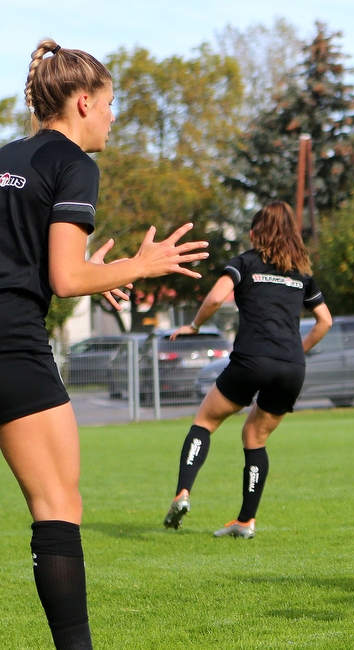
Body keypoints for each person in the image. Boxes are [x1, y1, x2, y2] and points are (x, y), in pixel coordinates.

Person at [0, 39, 209, 649]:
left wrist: (96, 271)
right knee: (58, 505)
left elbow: (32, 265)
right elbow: (66, 279)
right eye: (113, 104)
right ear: (83, 101)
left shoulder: (7, 156)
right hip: (12, 347)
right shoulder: (74, 163)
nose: (114, 118)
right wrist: (143, 265)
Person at [163, 201, 331, 539]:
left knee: (205, 421)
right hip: (291, 367)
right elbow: (324, 321)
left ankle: (182, 493)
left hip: (251, 360)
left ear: (255, 234)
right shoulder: (302, 274)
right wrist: (295, 352)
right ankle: (245, 521)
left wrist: (195, 326)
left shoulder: (244, 263)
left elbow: (214, 299)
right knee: (255, 438)